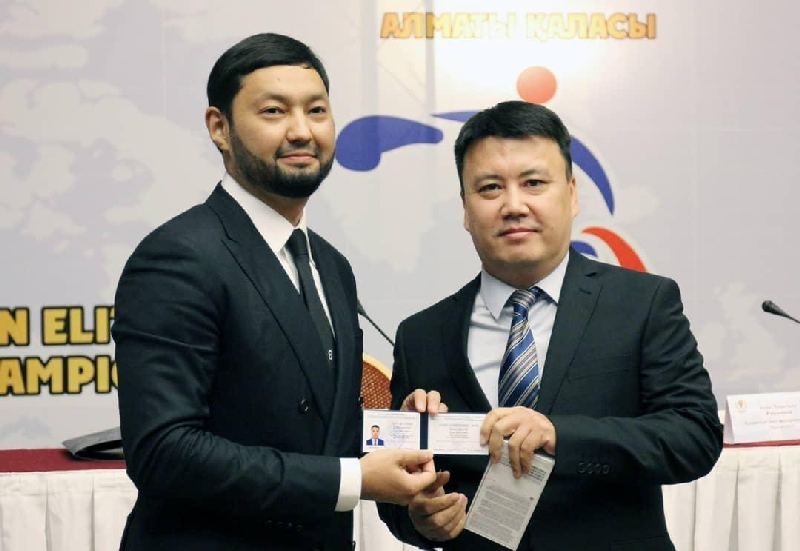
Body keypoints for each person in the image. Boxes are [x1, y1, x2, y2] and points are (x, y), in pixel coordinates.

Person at [112, 33, 438, 551]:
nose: (302, 131)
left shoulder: (332, 266)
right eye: (274, 111)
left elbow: (318, 429)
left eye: (317, 110)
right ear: (219, 128)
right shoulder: (179, 256)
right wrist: (353, 480)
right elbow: (163, 451)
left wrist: (404, 430)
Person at [378, 101, 723, 550]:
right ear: (465, 208)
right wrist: (420, 521)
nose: (513, 205)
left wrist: (560, 435)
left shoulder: (641, 303)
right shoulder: (421, 335)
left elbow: (694, 436)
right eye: (490, 188)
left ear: (572, 194)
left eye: (534, 183)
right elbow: (398, 494)